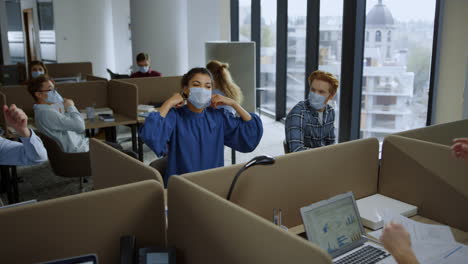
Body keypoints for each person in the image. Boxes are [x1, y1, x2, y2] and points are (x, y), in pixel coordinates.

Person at [139, 67, 263, 185]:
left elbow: (251, 131)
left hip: (212, 183)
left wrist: (233, 103)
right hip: (182, 185)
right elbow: (150, 134)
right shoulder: (175, 116)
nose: (202, 90)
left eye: (207, 87)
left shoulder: (218, 117)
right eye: (196, 85)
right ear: (186, 89)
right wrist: (169, 102)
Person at [27, 75, 136, 157]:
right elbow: (80, 127)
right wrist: (71, 107)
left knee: (118, 147)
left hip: (79, 144)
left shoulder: (44, 110)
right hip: (77, 151)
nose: (55, 93)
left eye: (55, 89)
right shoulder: (47, 113)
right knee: (129, 155)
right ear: (38, 94)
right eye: (51, 90)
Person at [285, 70, 338, 152]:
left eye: (321, 92)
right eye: (313, 90)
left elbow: (331, 144)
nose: (315, 95)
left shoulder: (330, 112)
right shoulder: (299, 112)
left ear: (331, 95)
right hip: (304, 162)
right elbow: (296, 150)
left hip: (323, 160)